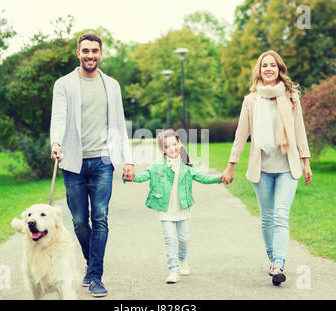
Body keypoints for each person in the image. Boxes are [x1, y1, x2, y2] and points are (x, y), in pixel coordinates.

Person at [50, 33, 135, 297]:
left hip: (103, 161)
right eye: (85, 51)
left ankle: (96, 275)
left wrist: (128, 159)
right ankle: (92, 262)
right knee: (78, 221)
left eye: (94, 51)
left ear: (101, 53)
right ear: (78, 53)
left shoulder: (112, 85)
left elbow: (120, 124)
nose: (90, 55)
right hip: (73, 162)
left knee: (100, 217)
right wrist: (56, 143)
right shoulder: (64, 84)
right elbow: (59, 117)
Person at [220, 50, 312, 286]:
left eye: (272, 65)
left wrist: (306, 160)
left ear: (279, 69)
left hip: (286, 167)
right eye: (264, 66)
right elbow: (242, 134)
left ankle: (279, 264)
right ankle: (272, 259)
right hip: (261, 168)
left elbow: (299, 129)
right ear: (259, 71)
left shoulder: (291, 97)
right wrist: (231, 166)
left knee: (281, 215)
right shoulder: (251, 100)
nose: (268, 69)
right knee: (267, 218)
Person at [124, 129, 222, 284]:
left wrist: (219, 178)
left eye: (174, 144)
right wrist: (131, 177)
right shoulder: (157, 166)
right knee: (169, 239)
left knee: (183, 239)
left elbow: (202, 178)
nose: (172, 148)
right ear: (163, 150)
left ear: (179, 144)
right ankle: (173, 270)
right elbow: (144, 176)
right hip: (166, 209)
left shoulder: (187, 166)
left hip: (182, 208)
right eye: (168, 146)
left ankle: (182, 260)